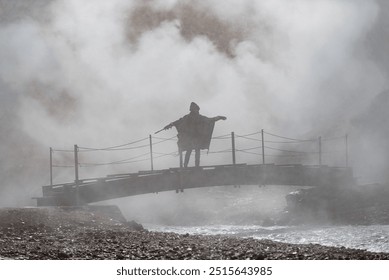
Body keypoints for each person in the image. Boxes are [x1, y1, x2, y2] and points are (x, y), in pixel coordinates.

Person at [163, 102, 226, 168]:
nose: (197, 111)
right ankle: (191, 166)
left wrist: (219, 117)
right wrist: (170, 125)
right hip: (192, 138)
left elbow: (209, 120)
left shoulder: (190, 117)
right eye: (197, 110)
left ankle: (190, 166)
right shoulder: (192, 117)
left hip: (194, 138)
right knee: (192, 150)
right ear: (194, 110)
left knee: (192, 150)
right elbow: (209, 120)